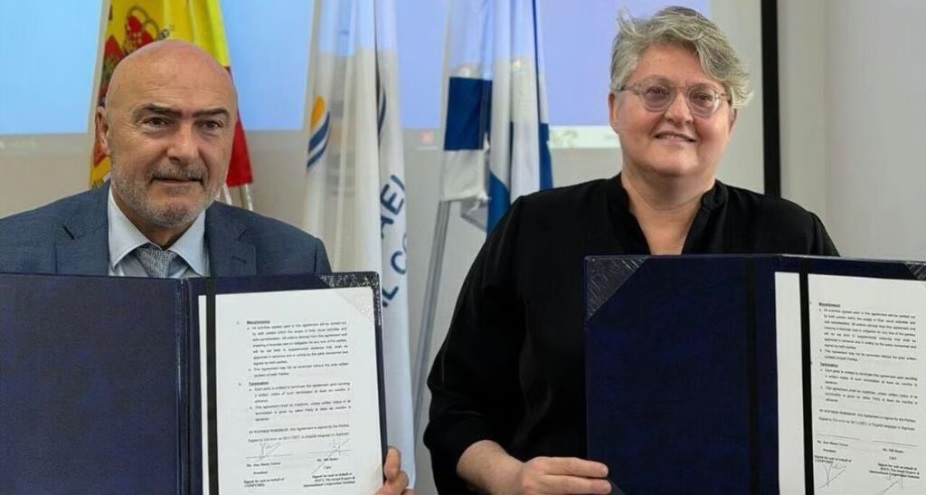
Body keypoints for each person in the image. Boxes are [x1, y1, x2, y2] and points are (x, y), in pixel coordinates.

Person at [424, 6, 838, 495]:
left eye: (703, 97)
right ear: (614, 109)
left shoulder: (791, 237)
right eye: (656, 92)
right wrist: (511, 478)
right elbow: (458, 406)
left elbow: (843, 405)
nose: (679, 113)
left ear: (730, 119)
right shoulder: (534, 228)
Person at [0, 39, 412, 495]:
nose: (186, 150)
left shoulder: (293, 260)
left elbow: (313, 444)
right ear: (104, 131)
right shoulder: (11, 258)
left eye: (210, 125)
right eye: (158, 121)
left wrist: (359, 479)